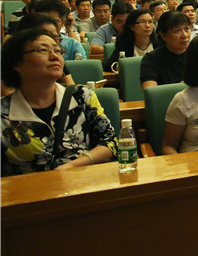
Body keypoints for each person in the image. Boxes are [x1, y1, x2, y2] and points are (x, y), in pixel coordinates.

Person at [1, 28, 118, 176]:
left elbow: (111, 142)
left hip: (82, 181)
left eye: (58, 50)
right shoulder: (3, 115)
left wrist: (75, 164)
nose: (54, 56)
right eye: (43, 50)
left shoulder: (82, 96)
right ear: (16, 63)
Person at [13, 14, 76, 86]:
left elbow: (71, 86)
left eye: (55, 38)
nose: (54, 55)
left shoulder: (56, 60)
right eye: (43, 50)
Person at [141, 11, 191, 89]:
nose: (185, 35)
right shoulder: (152, 59)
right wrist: (181, 87)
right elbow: (150, 92)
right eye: (177, 31)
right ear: (163, 36)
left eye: (187, 29)